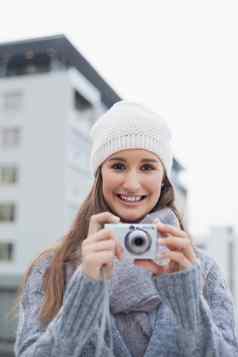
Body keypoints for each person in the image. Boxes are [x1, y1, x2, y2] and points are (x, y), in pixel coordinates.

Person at [14, 101, 238, 357]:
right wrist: (85, 288)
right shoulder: (52, 268)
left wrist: (186, 301)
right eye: (118, 166)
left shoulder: (200, 270)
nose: (132, 184)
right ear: (99, 175)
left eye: (147, 167)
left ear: (163, 178)